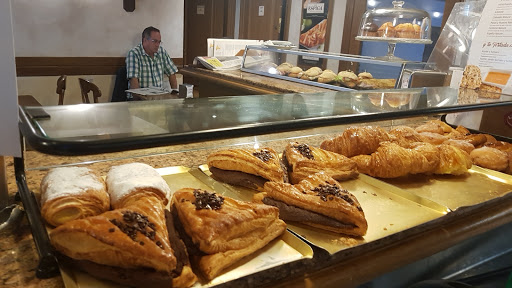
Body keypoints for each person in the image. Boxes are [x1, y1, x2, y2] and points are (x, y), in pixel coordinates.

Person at [126, 26, 178, 98]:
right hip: (141, 99)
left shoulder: (161, 52)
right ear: (145, 40)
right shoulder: (134, 54)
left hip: (158, 98)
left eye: (159, 42)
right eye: (154, 41)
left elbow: (172, 73)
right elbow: (134, 82)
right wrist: (138, 102)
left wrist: (174, 94)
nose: (157, 45)